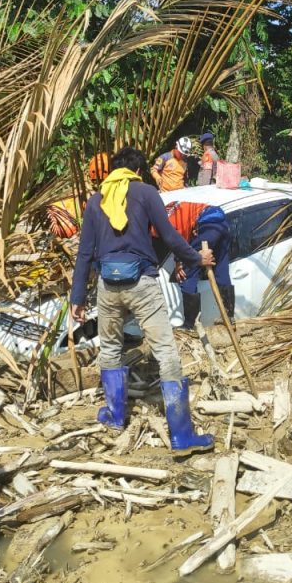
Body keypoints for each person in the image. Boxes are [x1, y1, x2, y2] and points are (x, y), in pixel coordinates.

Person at [70, 147, 216, 455]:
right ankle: (181, 433)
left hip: (108, 286)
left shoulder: (97, 201)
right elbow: (171, 236)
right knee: (165, 350)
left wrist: (78, 298)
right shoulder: (146, 193)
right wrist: (197, 258)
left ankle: (114, 416)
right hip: (143, 283)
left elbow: (85, 253)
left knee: (110, 349)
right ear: (138, 170)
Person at [177, 206, 233, 328]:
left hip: (208, 227)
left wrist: (179, 261)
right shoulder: (173, 209)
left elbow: (176, 242)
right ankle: (229, 317)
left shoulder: (165, 223)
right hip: (222, 224)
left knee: (187, 272)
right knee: (221, 268)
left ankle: (189, 325)